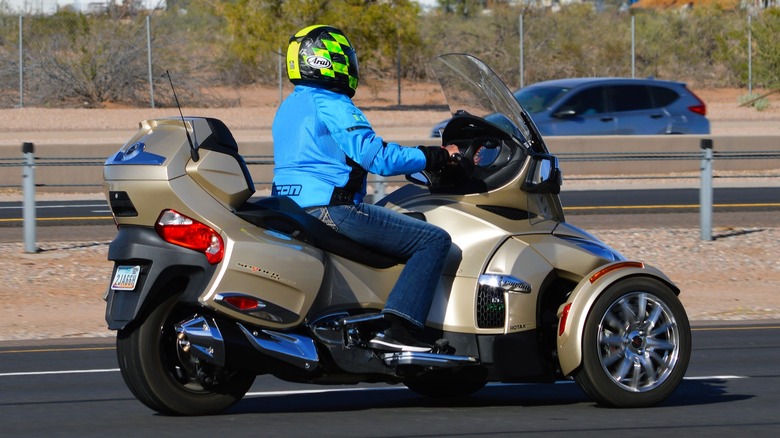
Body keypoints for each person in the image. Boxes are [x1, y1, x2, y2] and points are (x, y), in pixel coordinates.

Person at [271, 24, 459, 352]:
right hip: (333, 209)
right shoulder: (332, 102)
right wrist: (436, 156)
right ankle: (402, 327)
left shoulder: (290, 106)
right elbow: (378, 158)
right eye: (346, 57)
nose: (351, 64)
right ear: (326, 61)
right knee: (433, 239)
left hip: (288, 209)